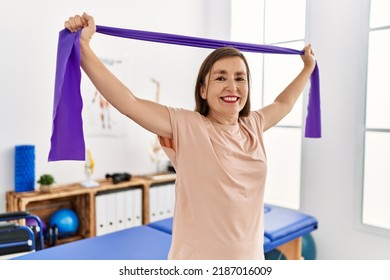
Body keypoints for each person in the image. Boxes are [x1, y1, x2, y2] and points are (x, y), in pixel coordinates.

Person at [64, 12, 316, 260]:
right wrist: (84, 46)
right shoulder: (189, 127)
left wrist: (307, 68)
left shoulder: (253, 125)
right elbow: (129, 102)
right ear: (203, 90)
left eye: (241, 78)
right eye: (220, 78)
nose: (232, 86)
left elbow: (284, 103)